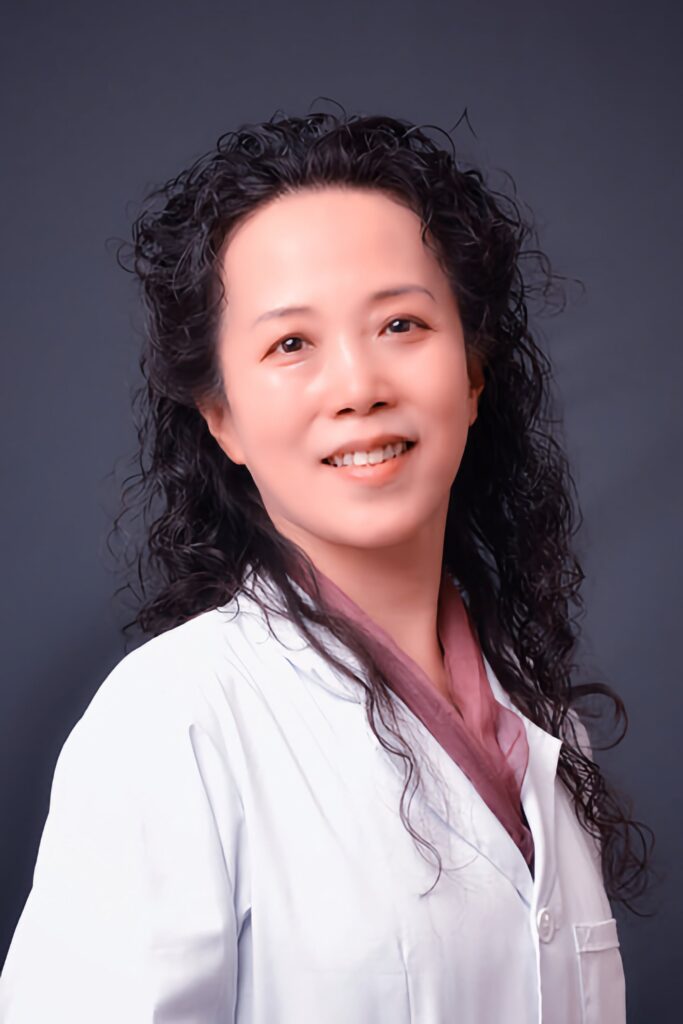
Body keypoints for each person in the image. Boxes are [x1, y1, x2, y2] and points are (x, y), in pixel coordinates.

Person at [0, 106, 653, 1023]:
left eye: (400, 324)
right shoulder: (171, 723)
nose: (358, 387)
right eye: (291, 344)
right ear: (220, 417)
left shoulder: (543, 724)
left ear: (472, 374)